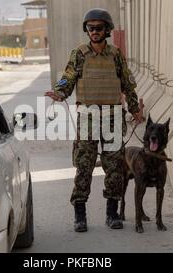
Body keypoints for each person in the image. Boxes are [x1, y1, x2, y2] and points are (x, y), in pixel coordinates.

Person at [45, 8, 143, 232]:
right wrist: (59, 93)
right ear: (86, 30)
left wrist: (135, 109)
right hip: (88, 119)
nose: (94, 32)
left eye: (99, 28)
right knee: (84, 167)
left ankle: (112, 213)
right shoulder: (79, 54)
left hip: (112, 119)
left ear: (107, 30)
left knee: (115, 168)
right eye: (90, 28)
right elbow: (68, 78)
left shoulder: (115, 55)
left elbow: (128, 85)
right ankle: (80, 215)